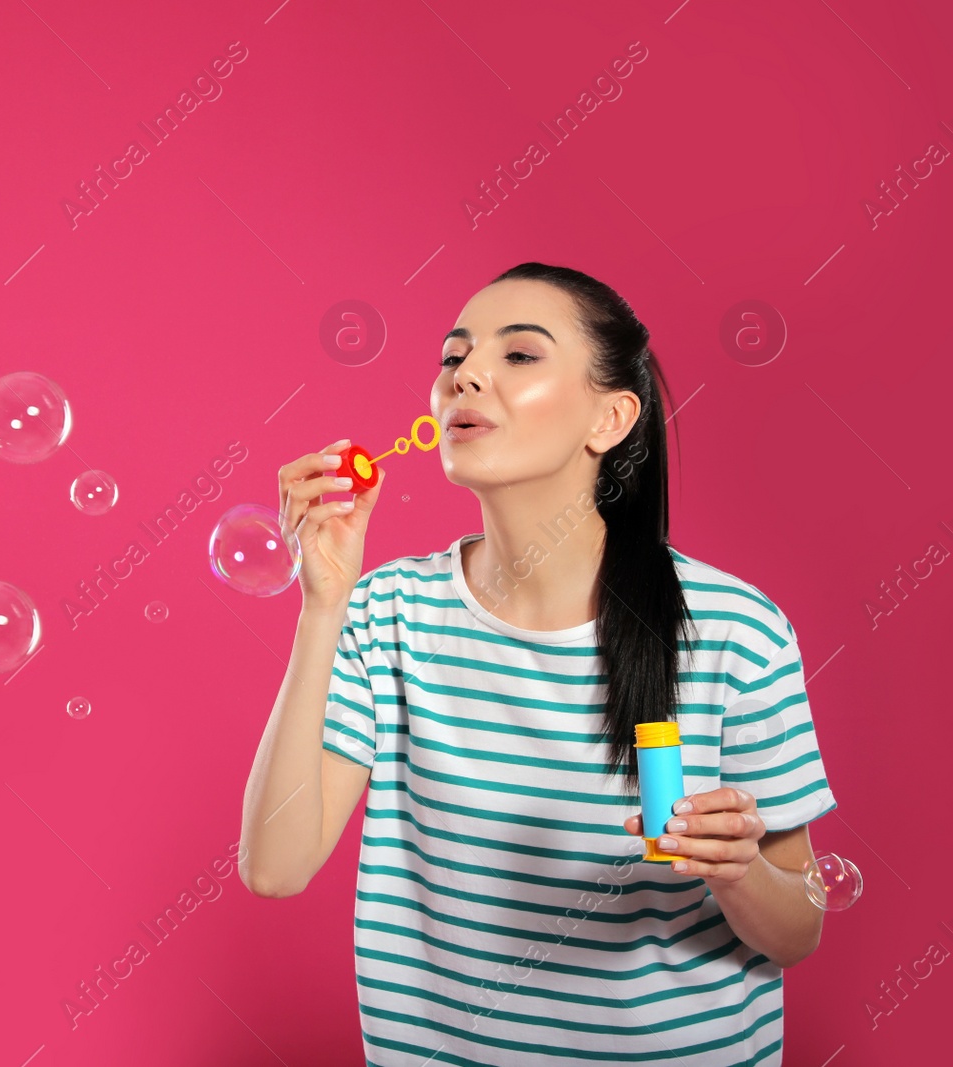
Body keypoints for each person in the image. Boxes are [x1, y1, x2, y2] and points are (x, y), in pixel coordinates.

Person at [238, 262, 838, 1066]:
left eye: (519, 355)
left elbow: (797, 928)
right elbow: (274, 868)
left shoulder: (735, 630)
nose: (466, 375)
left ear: (611, 417)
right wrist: (323, 603)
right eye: (454, 358)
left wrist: (737, 872)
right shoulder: (387, 614)